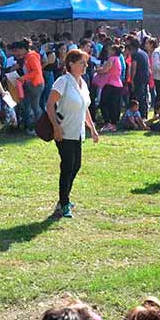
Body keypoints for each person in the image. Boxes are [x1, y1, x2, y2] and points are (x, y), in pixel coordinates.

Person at [47, 49, 99, 219]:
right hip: (64, 131)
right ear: (71, 64)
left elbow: (85, 109)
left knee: (76, 166)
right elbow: (50, 104)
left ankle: (64, 199)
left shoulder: (83, 83)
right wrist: (56, 127)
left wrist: (92, 129)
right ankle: (64, 203)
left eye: (85, 62)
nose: (85, 66)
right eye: (82, 63)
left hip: (78, 132)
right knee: (68, 166)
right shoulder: (63, 81)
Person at [95, 44, 124, 131]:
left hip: (110, 84)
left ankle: (107, 122)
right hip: (118, 84)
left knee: (103, 103)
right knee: (114, 105)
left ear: (114, 51)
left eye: (110, 50)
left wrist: (97, 70)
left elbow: (105, 69)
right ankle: (114, 123)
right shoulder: (118, 59)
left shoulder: (112, 59)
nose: (108, 51)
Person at [128, 39, 151, 117]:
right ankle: (145, 114)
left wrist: (132, 80)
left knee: (138, 97)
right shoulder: (144, 53)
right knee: (144, 97)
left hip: (138, 78)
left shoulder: (135, 54)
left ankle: (140, 115)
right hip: (145, 77)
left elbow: (134, 67)